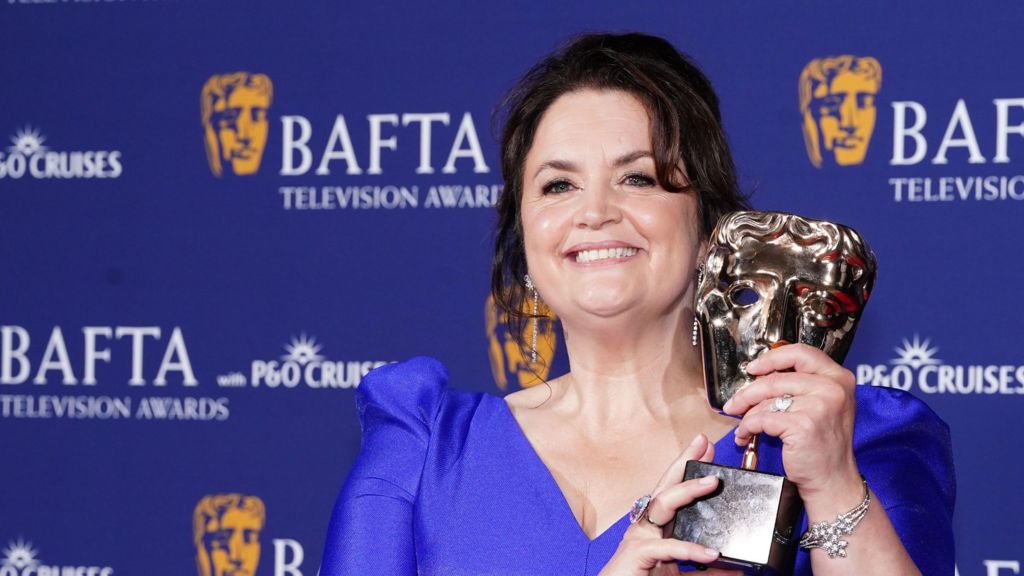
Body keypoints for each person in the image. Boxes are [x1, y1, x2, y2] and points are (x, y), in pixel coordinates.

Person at [320, 33, 954, 575]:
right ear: (525, 236)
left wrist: (833, 485)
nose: (594, 213)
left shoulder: (839, 436)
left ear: (712, 230)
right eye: (558, 185)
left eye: (638, 177)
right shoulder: (424, 447)